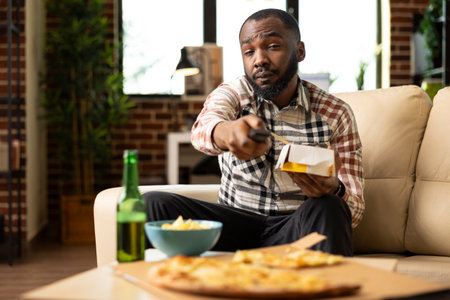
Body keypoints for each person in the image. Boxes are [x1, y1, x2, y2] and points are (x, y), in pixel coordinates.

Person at [144, 8, 364, 256]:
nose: (259, 59)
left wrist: (333, 188)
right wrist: (228, 132)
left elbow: (354, 211)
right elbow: (202, 129)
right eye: (249, 52)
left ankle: (327, 289)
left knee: (330, 206)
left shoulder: (336, 114)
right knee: (153, 205)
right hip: (235, 225)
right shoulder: (234, 93)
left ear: (299, 51)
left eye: (272, 46)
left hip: (295, 231)